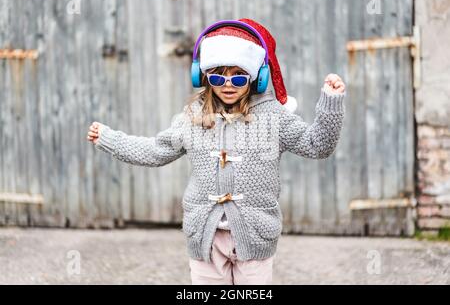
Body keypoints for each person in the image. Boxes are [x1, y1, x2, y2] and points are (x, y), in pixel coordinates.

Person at [86, 18, 346, 285]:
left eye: (239, 75)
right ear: (204, 76)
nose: (228, 84)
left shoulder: (273, 118)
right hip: (206, 238)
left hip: (255, 236)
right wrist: (110, 139)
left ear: (257, 76)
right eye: (218, 76)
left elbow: (318, 145)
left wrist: (331, 102)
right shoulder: (192, 118)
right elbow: (155, 150)